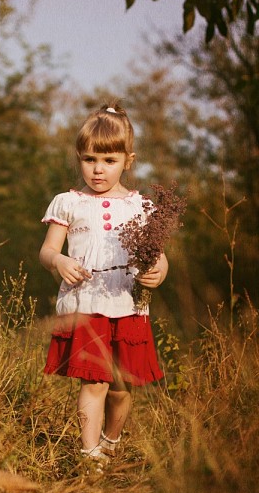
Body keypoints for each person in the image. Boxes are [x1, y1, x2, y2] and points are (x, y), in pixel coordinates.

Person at [39, 103, 168, 466]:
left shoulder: (140, 206)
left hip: (128, 305)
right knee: (94, 382)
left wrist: (159, 271)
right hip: (86, 304)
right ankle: (90, 454)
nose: (98, 169)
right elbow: (47, 251)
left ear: (128, 161)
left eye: (109, 160)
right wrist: (59, 261)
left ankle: (110, 441)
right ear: (79, 158)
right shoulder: (69, 203)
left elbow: (158, 257)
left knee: (121, 387)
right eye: (90, 159)